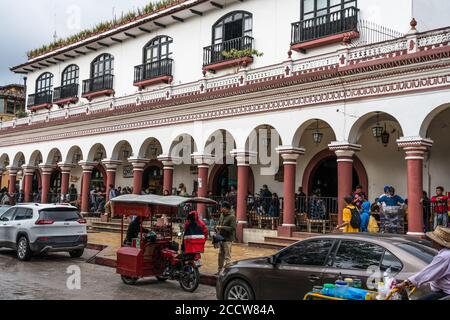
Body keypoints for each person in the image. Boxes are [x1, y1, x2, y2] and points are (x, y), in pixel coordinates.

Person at [395, 226, 450, 300]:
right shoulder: (445, 254)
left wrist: (406, 283)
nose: (431, 241)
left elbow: (428, 273)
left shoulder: (444, 256)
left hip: (446, 293)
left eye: (433, 239)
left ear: (439, 242)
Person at [216, 201, 236, 274]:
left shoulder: (232, 217)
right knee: (220, 255)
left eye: (222, 207)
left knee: (227, 256)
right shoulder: (222, 215)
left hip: (228, 239)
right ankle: (219, 271)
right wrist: (217, 227)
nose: (221, 209)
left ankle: (227, 273)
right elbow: (219, 223)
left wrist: (222, 227)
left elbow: (233, 228)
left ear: (226, 208)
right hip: (221, 238)